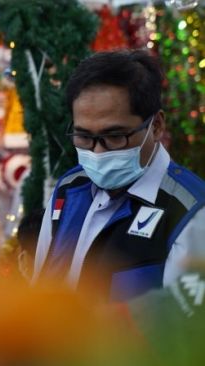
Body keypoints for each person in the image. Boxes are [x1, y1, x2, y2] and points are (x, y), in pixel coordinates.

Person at [32, 50, 205, 302]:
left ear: (155, 126)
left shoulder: (188, 211)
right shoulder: (69, 190)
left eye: (114, 136)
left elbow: (182, 327)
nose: (98, 151)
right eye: (84, 136)